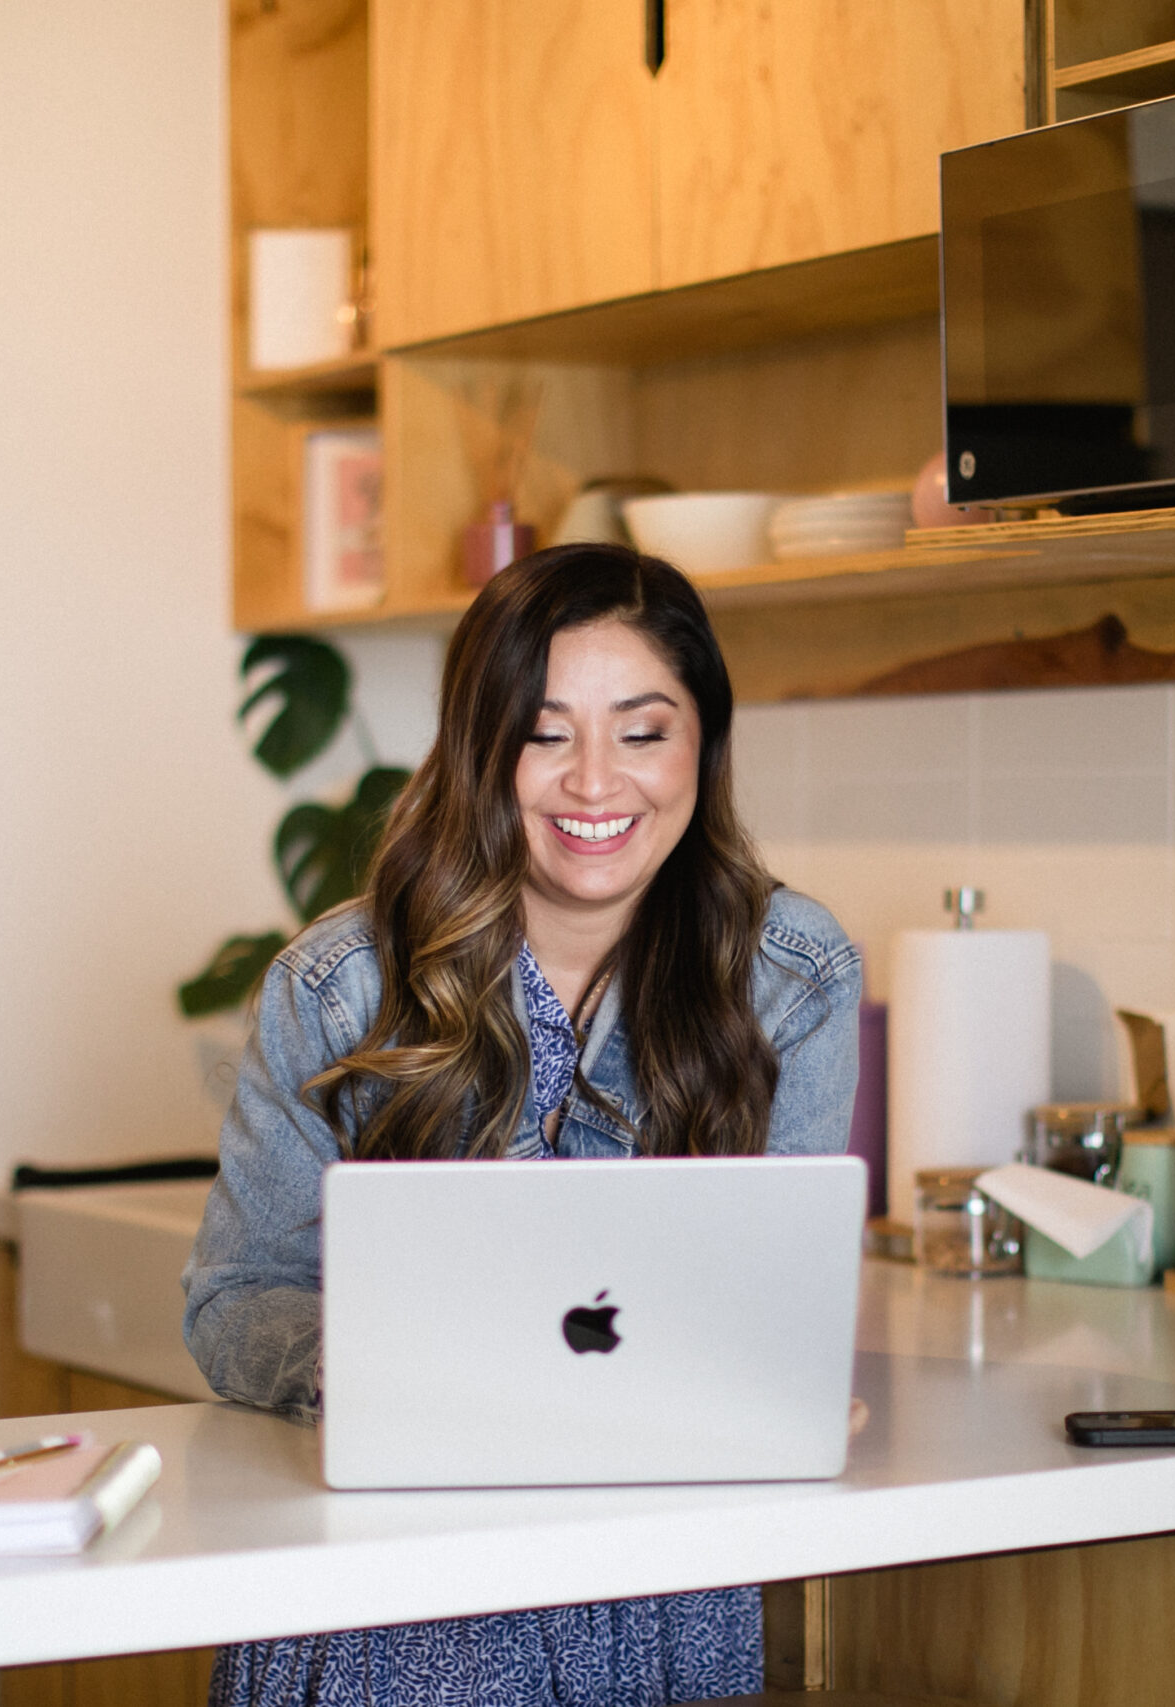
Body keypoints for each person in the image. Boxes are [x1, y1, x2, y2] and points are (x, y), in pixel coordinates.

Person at [182, 542, 863, 1707]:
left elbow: (780, 1295)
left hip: (663, 1588)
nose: (596, 784)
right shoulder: (335, 987)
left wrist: (777, 1371)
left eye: (643, 732)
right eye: (546, 734)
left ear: (703, 741)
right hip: (392, 1599)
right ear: (477, 747)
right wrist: (370, 1376)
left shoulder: (790, 977)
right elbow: (234, 1297)